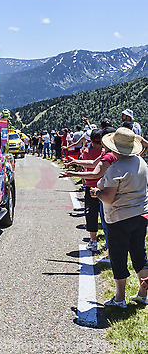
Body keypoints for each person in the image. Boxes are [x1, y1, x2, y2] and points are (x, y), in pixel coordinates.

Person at [90, 127, 148, 308]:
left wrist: (96, 192)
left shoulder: (115, 169)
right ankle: (143, 293)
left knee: (118, 256)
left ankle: (119, 298)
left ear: (115, 148)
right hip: (141, 214)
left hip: (119, 217)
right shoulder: (141, 162)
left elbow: (108, 197)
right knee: (139, 253)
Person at [60, 129, 104, 251]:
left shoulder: (86, 151)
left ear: (91, 140)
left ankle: (93, 240)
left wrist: (74, 167)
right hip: (105, 186)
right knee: (106, 216)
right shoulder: (106, 152)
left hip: (90, 186)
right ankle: (108, 242)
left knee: (91, 214)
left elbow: (89, 165)